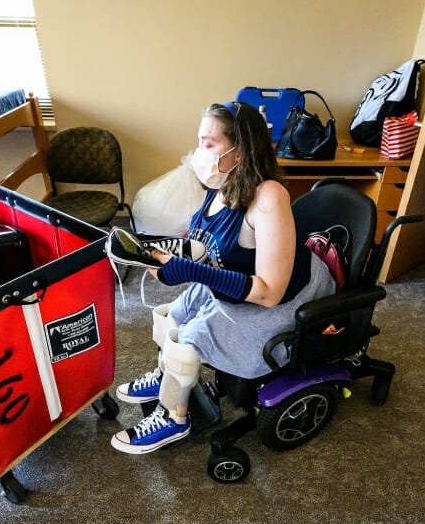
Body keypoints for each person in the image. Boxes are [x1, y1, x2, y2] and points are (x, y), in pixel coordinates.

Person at [108, 101, 336, 454]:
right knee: (171, 315)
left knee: (193, 335)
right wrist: (153, 256)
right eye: (200, 142)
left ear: (240, 149)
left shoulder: (269, 197)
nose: (199, 154)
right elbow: (204, 247)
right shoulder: (222, 186)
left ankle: (173, 417)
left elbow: (269, 292)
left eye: (209, 144)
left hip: (292, 293)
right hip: (241, 275)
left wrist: (187, 270)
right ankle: (168, 373)